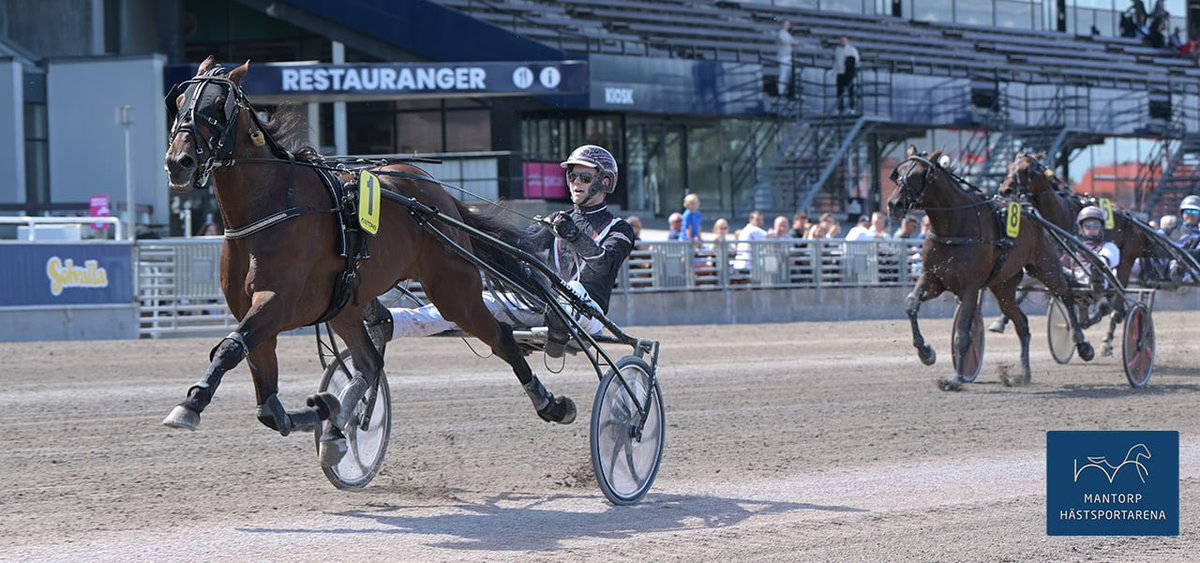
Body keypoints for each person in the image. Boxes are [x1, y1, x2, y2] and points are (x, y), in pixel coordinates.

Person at [365, 144, 635, 360]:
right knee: (474, 303)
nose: (576, 181)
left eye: (585, 177)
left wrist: (573, 235)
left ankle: (559, 324)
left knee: (574, 289)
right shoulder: (558, 219)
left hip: (588, 313)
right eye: (572, 175)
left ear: (605, 183)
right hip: (544, 305)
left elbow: (605, 264)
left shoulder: (619, 228)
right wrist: (476, 233)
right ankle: (393, 322)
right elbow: (521, 248)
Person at [1064, 206, 1120, 285]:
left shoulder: (1109, 247)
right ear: (1081, 227)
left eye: (1096, 225)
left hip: (1096, 285)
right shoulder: (1073, 245)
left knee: (1095, 269)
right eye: (1088, 225)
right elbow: (1061, 265)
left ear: (1101, 227)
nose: (1092, 228)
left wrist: (1081, 249)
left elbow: (1102, 263)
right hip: (1073, 281)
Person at [833, 36, 860, 114]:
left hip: (848, 73)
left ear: (847, 41)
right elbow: (836, 61)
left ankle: (852, 108)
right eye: (841, 40)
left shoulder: (852, 50)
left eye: (844, 40)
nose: (842, 42)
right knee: (839, 91)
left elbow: (856, 60)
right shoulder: (837, 49)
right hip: (840, 72)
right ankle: (840, 108)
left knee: (850, 90)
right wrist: (834, 71)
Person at [777, 20, 798, 98]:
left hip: (788, 56)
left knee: (788, 75)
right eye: (785, 24)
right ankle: (780, 92)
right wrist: (792, 43)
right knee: (783, 74)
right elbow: (782, 43)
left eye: (788, 25)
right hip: (783, 56)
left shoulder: (788, 34)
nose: (787, 26)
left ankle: (785, 91)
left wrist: (796, 43)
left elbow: (793, 41)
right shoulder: (781, 33)